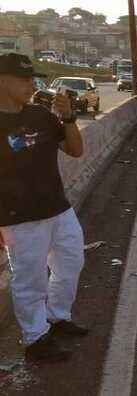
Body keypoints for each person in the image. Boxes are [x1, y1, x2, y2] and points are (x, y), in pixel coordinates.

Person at [0, 53, 87, 363]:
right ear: (2, 80)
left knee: (71, 263)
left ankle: (57, 317)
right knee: (30, 279)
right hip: (18, 218)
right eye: (22, 79)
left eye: (31, 78)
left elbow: (75, 150)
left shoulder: (40, 115)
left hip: (59, 209)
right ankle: (35, 339)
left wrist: (69, 119)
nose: (30, 84)